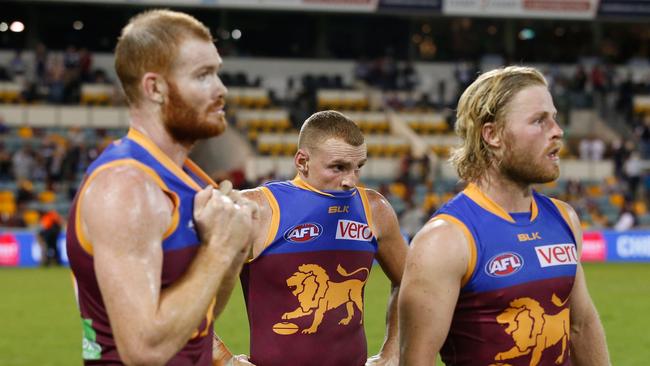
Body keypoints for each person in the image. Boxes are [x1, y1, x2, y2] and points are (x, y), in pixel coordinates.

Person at [66, 10, 257, 365]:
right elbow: (145, 351)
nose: (221, 89)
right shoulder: (126, 187)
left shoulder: (193, 179)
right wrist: (218, 250)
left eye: (217, 72)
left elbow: (198, 318)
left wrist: (231, 254)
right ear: (154, 88)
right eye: (203, 76)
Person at [398, 66, 610, 366]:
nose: (557, 130)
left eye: (554, 117)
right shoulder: (445, 240)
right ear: (493, 134)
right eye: (539, 121)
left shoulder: (564, 218)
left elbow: (582, 325)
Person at [217, 110, 407, 366]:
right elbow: (186, 295)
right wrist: (222, 358)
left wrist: (392, 352)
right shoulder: (258, 209)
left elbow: (410, 283)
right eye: (338, 167)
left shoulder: (374, 209)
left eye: (358, 167)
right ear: (302, 161)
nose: (350, 181)